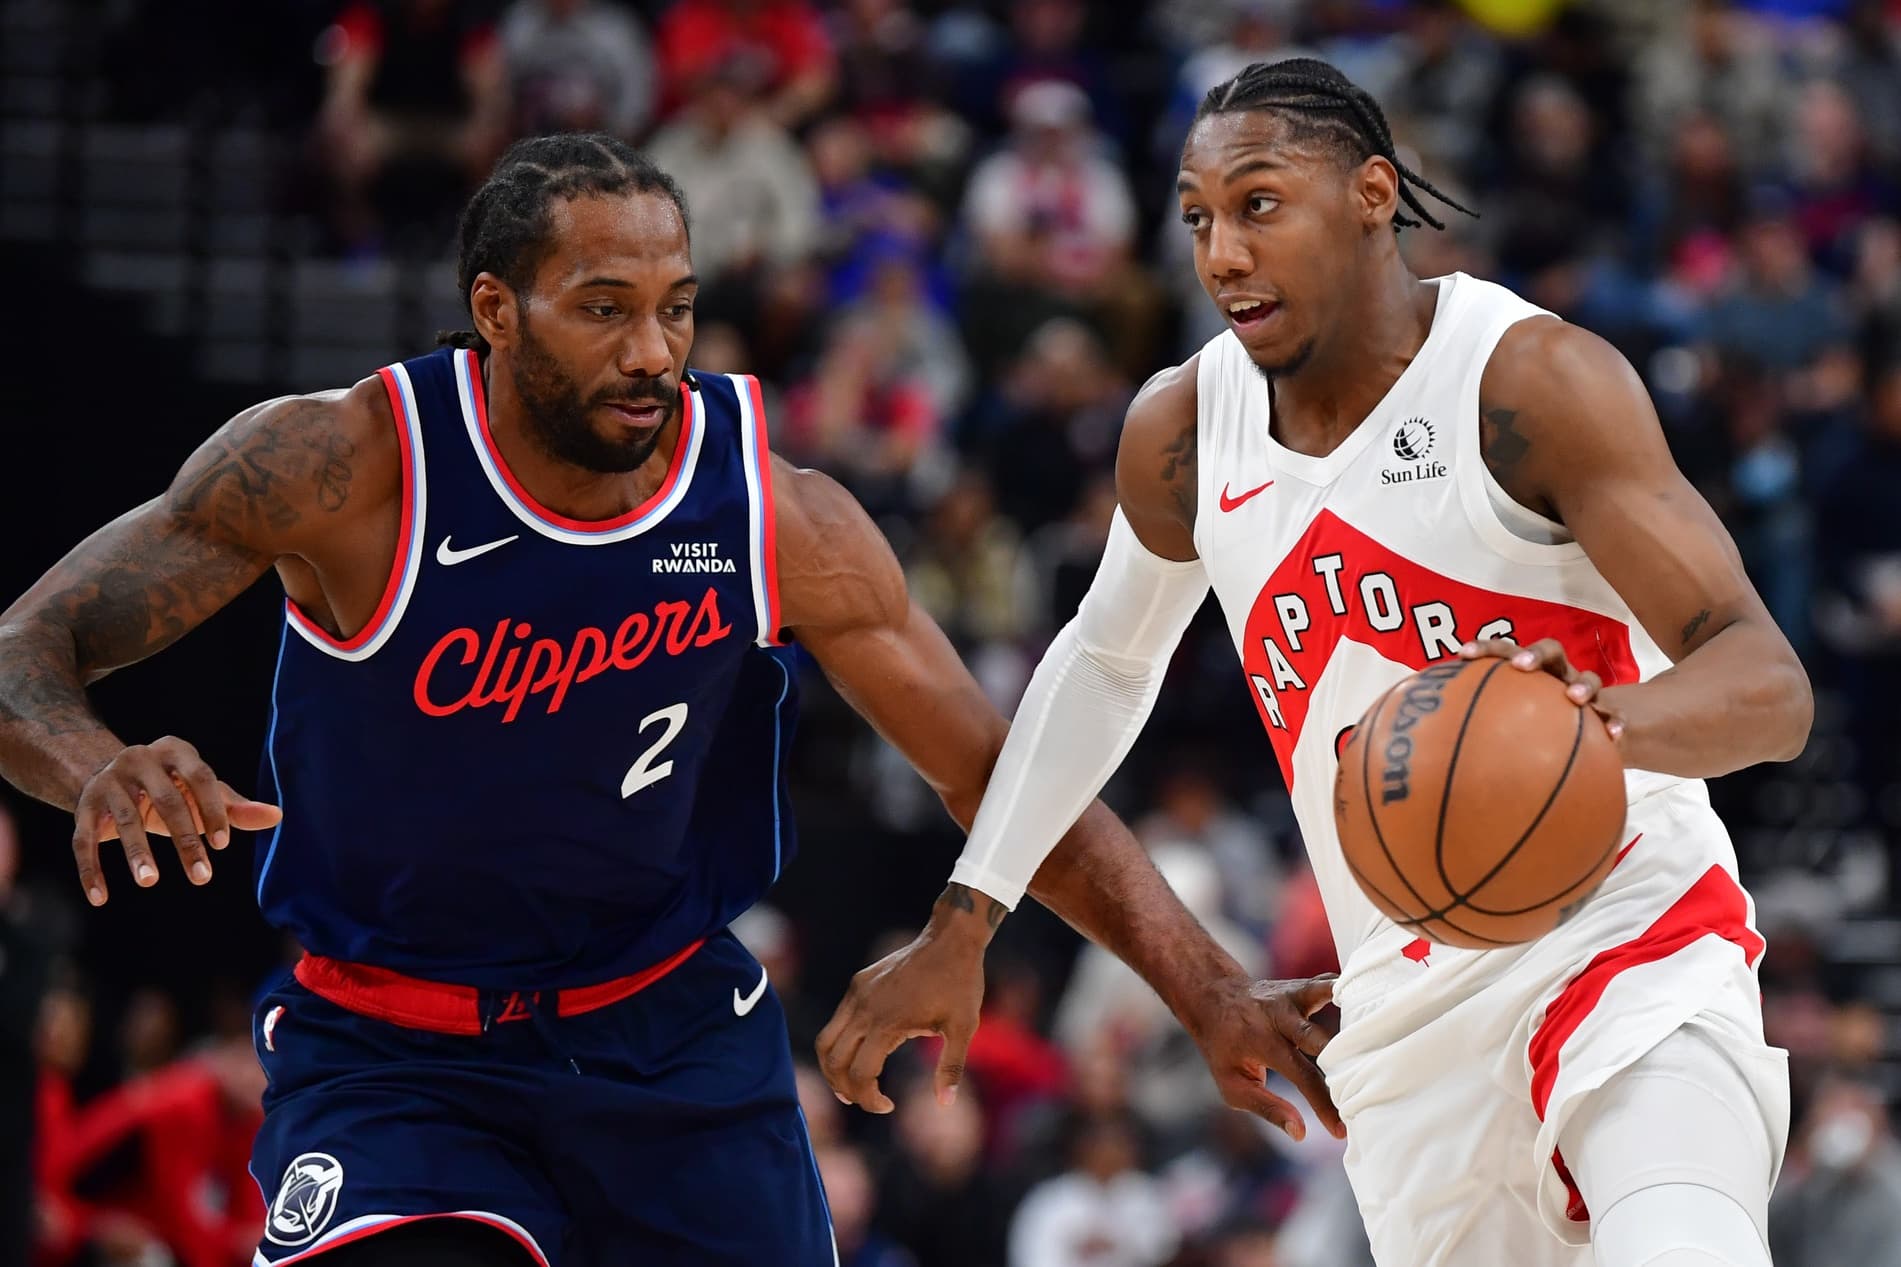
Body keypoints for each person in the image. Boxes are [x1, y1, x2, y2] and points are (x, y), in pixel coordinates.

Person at [0, 132, 1327, 1267]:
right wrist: (95, 762)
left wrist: (1207, 986)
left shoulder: (770, 513)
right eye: (603, 306)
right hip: (397, 1050)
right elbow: (25, 653)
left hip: (672, 1038)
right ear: (497, 310)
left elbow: (997, 767)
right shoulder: (340, 466)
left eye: (677, 307)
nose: (653, 351)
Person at [819, 59, 1813, 1267]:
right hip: (1403, 1013)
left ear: (1370, 194)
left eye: (1257, 204)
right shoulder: (1182, 431)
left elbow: (1766, 684)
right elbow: (1099, 670)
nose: (1220, 253)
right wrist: (965, 918)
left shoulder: (1528, 381)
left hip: (1624, 931)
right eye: (1195, 217)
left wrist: (1596, 728)